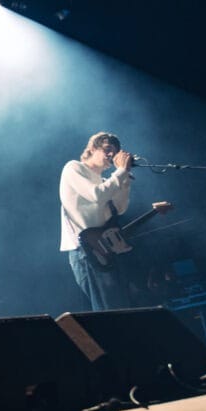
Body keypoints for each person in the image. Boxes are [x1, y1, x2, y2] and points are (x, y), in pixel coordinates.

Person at [59, 132, 134, 311]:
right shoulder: (74, 168)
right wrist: (121, 172)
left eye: (114, 152)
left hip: (106, 247)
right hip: (85, 250)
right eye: (107, 149)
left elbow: (119, 208)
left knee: (120, 307)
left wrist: (125, 181)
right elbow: (96, 195)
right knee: (107, 309)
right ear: (92, 149)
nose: (111, 154)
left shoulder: (105, 181)